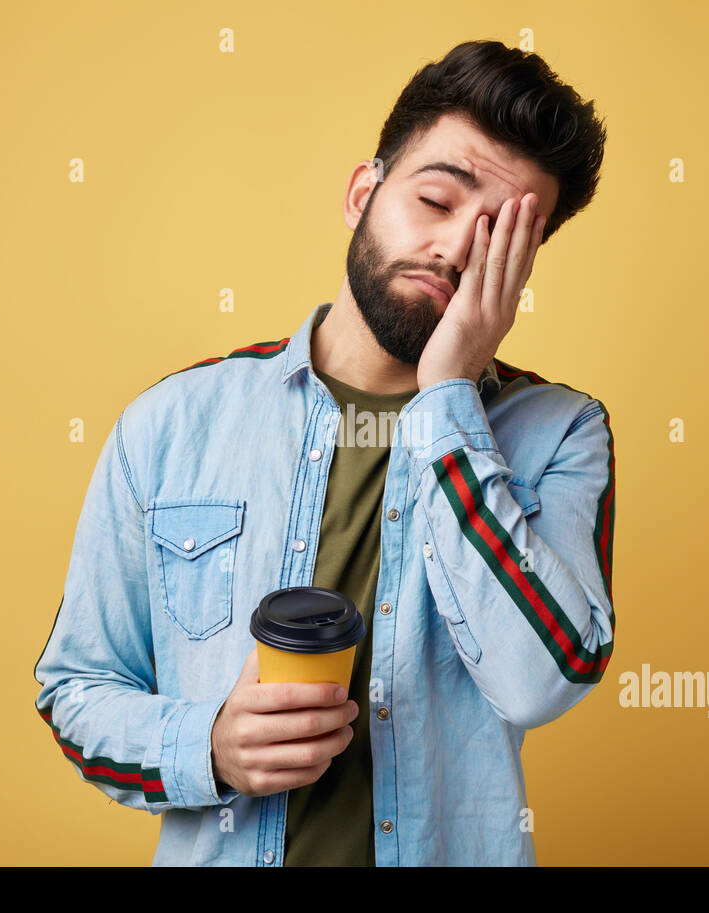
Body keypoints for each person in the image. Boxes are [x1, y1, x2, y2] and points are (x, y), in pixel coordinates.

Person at [33, 39, 615, 866]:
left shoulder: (560, 432)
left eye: (502, 239)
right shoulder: (173, 425)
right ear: (362, 193)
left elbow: (543, 679)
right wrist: (208, 747)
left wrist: (448, 396)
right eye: (437, 200)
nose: (456, 251)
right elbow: (77, 690)